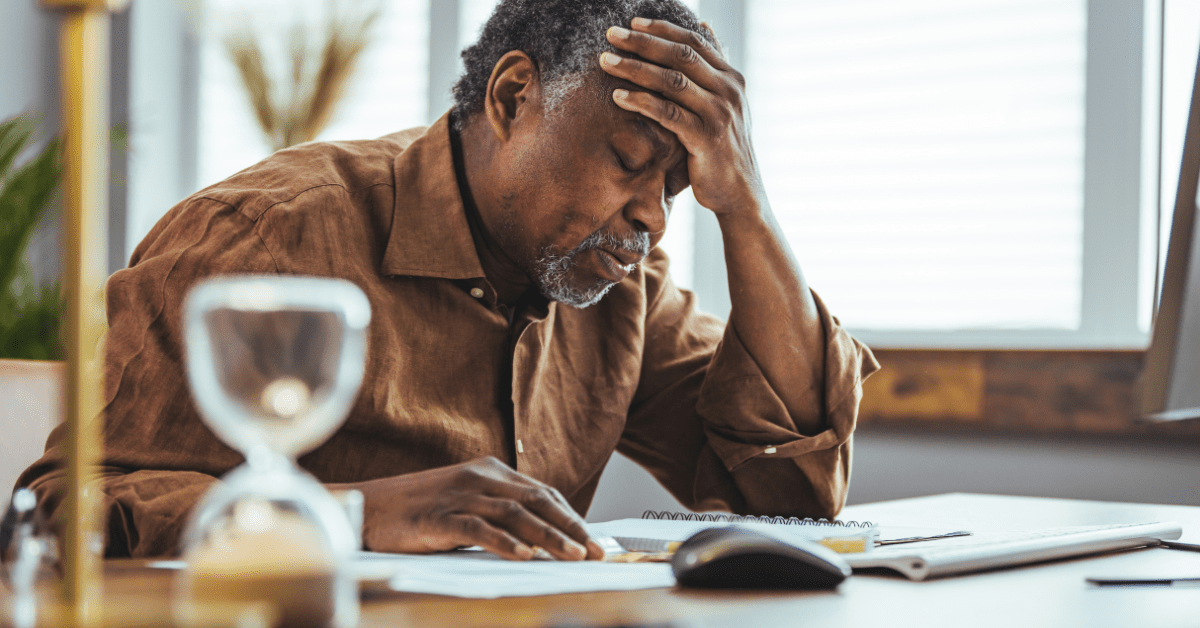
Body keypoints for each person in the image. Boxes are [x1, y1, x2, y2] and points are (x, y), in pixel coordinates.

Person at [16, 0, 878, 561]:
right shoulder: (272, 237)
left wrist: (748, 209)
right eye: (628, 162)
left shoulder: (619, 285)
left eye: (681, 188)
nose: (654, 217)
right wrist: (356, 518)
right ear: (511, 100)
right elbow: (65, 516)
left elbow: (786, 497)